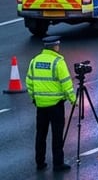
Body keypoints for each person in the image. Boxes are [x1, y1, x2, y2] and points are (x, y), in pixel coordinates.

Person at [27, 35, 77, 172]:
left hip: (41, 105)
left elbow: (29, 82)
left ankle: (40, 162)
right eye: (58, 45)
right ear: (55, 47)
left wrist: (35, 98)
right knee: (57, 134)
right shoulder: (58, 62)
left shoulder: (34, 61)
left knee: (41, 134)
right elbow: (66, 84)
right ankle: (58, 164)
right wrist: (73, 100)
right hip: (56, 105)